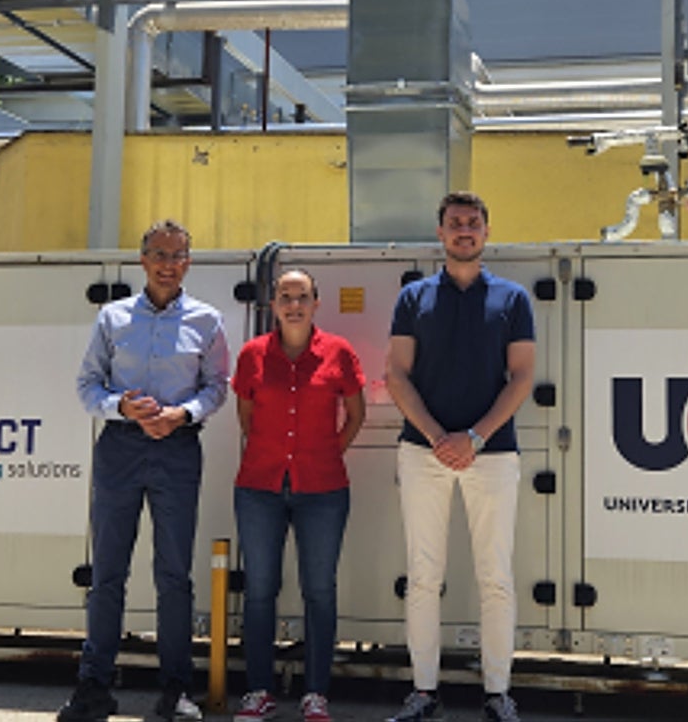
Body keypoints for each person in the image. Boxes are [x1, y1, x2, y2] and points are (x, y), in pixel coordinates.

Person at [60, 219, 231, 722]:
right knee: (108, 571)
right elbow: (87, 385)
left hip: (178, 451)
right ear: (143, 259)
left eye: (178, 255)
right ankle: (94, 686)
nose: (168, 264)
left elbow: (216, 386)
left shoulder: (207, 320)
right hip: (120, 449)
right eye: (159, 254)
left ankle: (175, 689)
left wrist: (183, 415)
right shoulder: (112, 318)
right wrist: (121, 407)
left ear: (188, 263)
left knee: (173, 574)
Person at [383, 192, 536, 722]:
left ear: (486, 233)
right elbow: (396, 375)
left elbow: (522, 378)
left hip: (492, 454)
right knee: (424, 574)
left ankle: (498, 694)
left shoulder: (513, 299)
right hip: (421, 452)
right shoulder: (414, 297)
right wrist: (436, 437)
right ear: (441, 233)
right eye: (455, 224)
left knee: (495, 575)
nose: (464, 231)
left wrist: (472, 437)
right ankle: (423, 693)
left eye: (473, 223)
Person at [230, 268, 366, 722]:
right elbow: (246, 417)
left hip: (323, 489)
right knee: (260, 591)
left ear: (316, 303)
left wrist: (324, 451)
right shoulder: (252, 355)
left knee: (320, 591)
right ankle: (259, 691)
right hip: (259, 488)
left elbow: (354, 415)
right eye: (285, 296)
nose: (293, 305)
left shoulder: (339, 353)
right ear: (273, 304)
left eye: (302, 296)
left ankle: (316, 693)